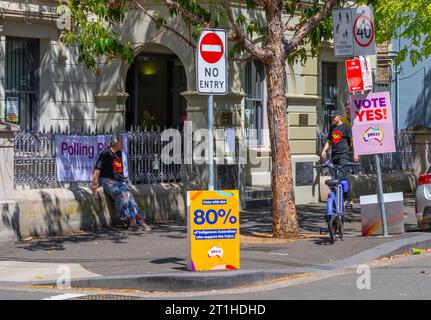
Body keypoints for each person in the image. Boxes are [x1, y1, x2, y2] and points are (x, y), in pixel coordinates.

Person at [91, 134, 151, 231]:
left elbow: (119, 172)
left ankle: (133, 220)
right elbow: (97, 169)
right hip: (106, 180)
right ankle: (130, 219)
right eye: (121, 141)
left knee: (127, 193)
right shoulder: (105, 153)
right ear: (116, 142)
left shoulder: (119, 153)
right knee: (121, 193)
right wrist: (94, 184)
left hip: (117, 182)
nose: (123, 143)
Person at [320, 110, 359, 208]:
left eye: (334, 117)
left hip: (344, 155)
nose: (332, 118)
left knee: (341, 176)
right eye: (332, 117)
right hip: (334, 155)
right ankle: (338, 197)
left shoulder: (346, 127)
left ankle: (348, 198)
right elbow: (329, 141)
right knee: (336, 177)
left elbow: (353, 141)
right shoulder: (332, 128)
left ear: (340, 117)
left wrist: (355, 153)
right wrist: (324, 150)